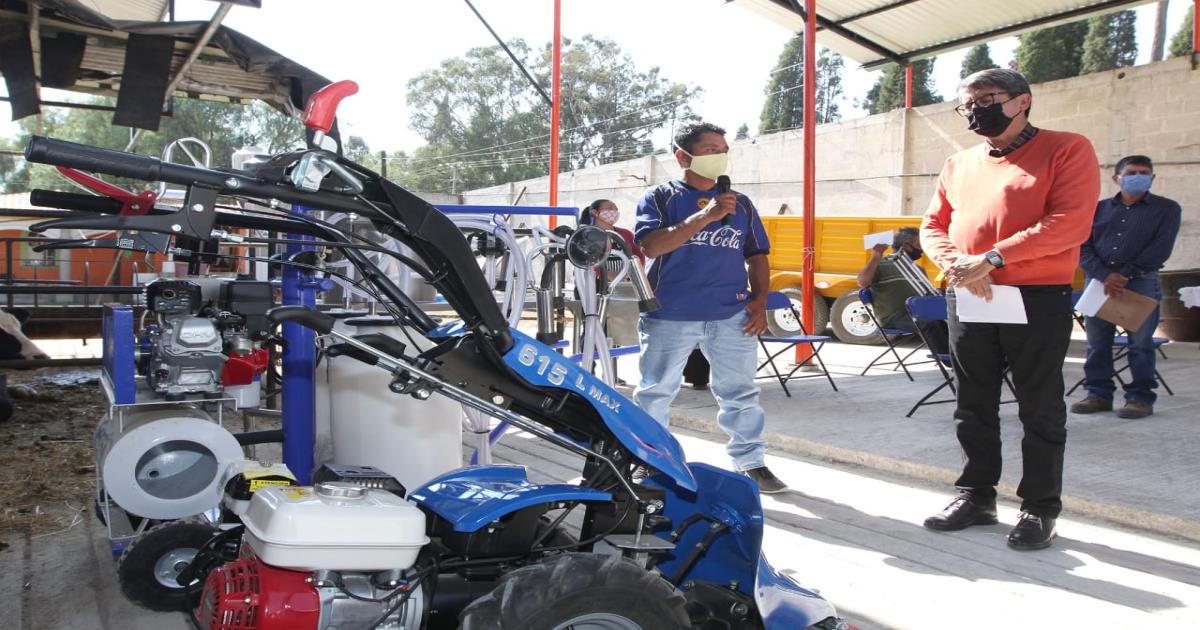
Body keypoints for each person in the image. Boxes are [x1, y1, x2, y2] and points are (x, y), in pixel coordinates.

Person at [919, 69, 1100, 550]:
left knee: (1039, 406)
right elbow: (932, 224)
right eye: (967, 103)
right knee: (972, 402)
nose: (975, 109)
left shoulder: (1068, 148)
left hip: (1035, 296)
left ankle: (1040, 507)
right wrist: (958, 266)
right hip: (969, 294)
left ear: (1023, 101)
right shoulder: (959, 163)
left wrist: (992, 259)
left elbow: (1070, 222)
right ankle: (976, 495)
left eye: (987, 98)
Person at [632, 121, 784, 493]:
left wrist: (759, 301)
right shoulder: (660, 198)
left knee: (740, 392)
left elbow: (758, 256)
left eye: (723, 149)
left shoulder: (741, 203)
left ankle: (751, 462)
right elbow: (651, 247)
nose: (720, 156)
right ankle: (650, 462)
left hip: (731, 314)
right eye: (710, 149)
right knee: (655, 392)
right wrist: (705, 216)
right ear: (683, 156)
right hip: (670, 313)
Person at [1072, 155, 1181, 419]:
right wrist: (1104, 274)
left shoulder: (1166, 209)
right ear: (1116, 178)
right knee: (1097, 343)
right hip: (1099, 282)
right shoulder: (1098, 209)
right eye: (1131, 172)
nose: (1138, 176)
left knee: (1140, 343)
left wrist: (1124, 274)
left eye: (1144, 173)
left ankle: (1140, 398)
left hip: (1140, 281)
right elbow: (1082, 245)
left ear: (1152, 178)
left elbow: (1161, 248)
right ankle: (1098, 394)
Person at [855, 227, 948, 354]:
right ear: (906, 246)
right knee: (930, 323)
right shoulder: (881, 265)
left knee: (950, 321)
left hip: (917, 314)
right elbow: (862, 282)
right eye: (918, 245)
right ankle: (946, 358)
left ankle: (951, 356)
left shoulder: (919, 270)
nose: (921, 250)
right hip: (895, 318)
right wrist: (876, 255)